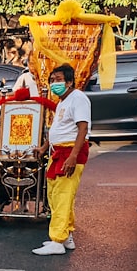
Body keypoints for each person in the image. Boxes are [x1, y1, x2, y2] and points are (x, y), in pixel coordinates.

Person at [31, 63, 90, 256]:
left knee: (63, 196)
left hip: (69, 153)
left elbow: (83, 128)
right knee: (55, 196)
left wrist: (73, 156)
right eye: (52, 80)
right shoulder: (63, 102)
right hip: (57, 153)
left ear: (70, 82)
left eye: (58, 80)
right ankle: (66, 236)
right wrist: (44, 147)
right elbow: (56, 130)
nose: (54, 84)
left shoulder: (78, 98)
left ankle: (57, 241)